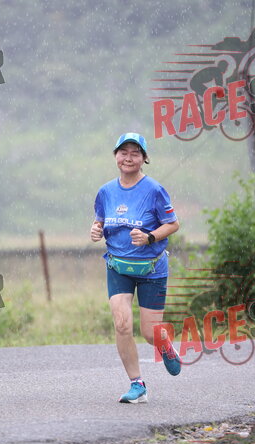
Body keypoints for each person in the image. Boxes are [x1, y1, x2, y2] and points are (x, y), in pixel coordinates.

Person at [91, 132, 182, 404]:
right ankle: (137, 384)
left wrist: (149, 237)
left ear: (144, 158)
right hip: (118, 266)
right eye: (123, 152)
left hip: (151, 269)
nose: (128, 158)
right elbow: (100, 221)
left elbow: (173, 224)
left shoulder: (154, 190)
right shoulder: (106, 192)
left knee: (150, 333)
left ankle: (165, 345)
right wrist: (95, 230)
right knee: (122, 324)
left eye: (135, 153)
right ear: (116, 156)